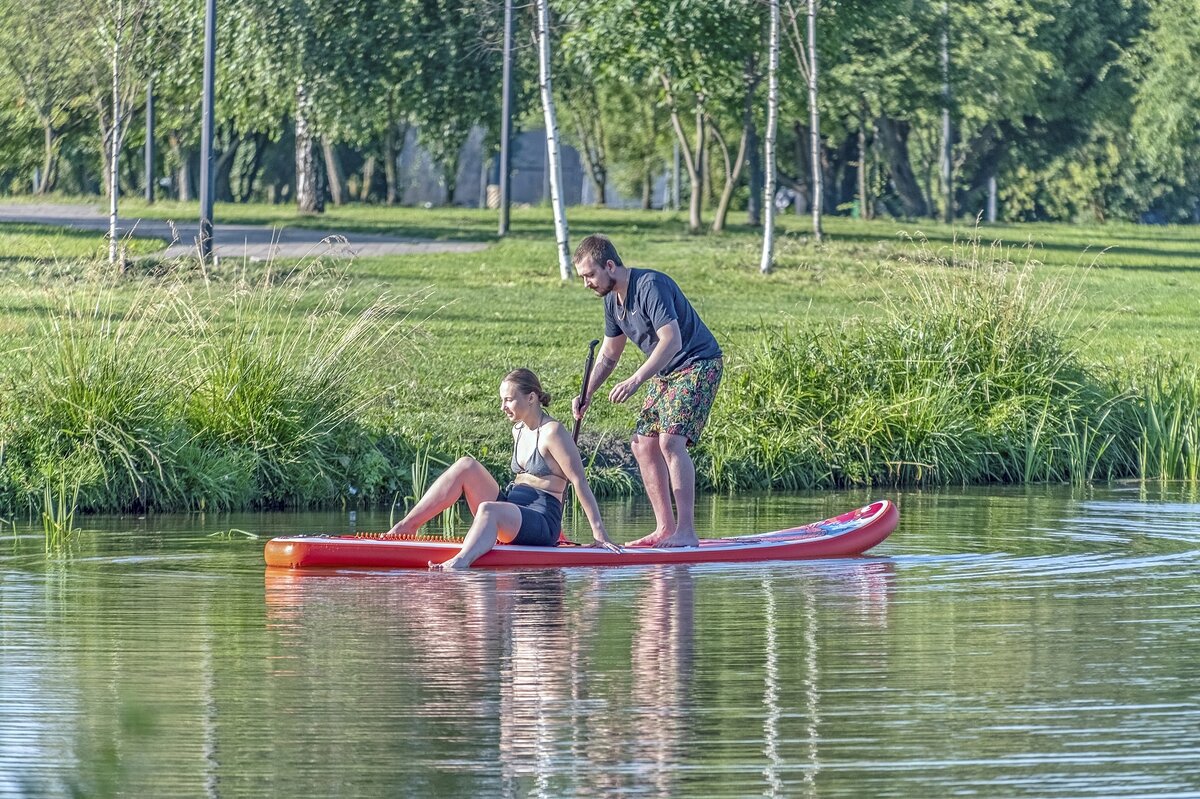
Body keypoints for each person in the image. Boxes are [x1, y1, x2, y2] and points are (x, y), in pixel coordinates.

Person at [571, 234, 723, 548]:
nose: (586, 283)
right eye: (582, 277)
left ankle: (687, 532)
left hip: (698, 363)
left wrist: (636, 380)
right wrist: (587, 393)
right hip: (667, 371)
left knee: (670, 441)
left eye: (590, 275)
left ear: (609, 265)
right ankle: (665, 528)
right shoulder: (612, 302)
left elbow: (672, 340)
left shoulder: (650, 285)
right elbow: (610, 354)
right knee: (642, 444)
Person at [384, 368, 619, 569]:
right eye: (502, 400)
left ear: (531, 398)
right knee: (466, 465)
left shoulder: (553, 432)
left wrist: (599, 535)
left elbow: (579, 481)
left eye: (508, 400)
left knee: (489, 510)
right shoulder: (517, 430)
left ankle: (460, 563)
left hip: (542, 521)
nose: (502, 407)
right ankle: (407, 527)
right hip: (513, 510)